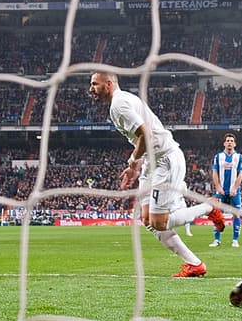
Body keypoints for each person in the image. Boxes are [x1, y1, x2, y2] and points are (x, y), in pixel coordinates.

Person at [88, 71, 227, 278]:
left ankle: (208, 207)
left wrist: (133, 160)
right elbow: (141, 139)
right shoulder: (121, 101)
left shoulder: (119, 104)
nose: (91, 89)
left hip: (165, 160)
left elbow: (146, 134)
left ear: (108, 84)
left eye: (94, 84)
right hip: (152, 162)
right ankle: (194, 264)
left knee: (159, 222)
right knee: (147, 220)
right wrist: (135, 167)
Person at [210, 133, 242, 248]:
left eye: (231, 141)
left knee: (236, 214)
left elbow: (240, 174)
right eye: (228, 141)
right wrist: (218, 187)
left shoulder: (239, 157)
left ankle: (235, 240)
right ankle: (217, 240)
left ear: (235, 144)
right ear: (224, 143)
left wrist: (234, 188)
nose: (229, 142)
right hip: (220, 191)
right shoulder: (218, 156)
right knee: (216, 214)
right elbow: (215, 172)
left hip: (234, 192)